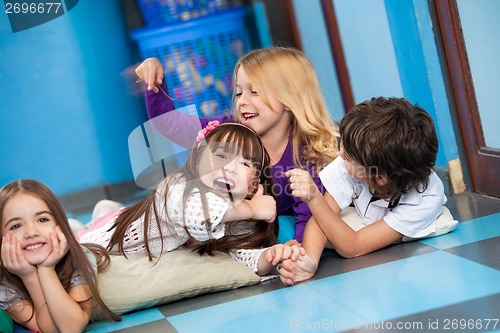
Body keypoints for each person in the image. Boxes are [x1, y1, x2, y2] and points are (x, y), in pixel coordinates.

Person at [134, 46, 339, 243]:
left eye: (255, 91)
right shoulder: (227, 132)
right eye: (239, 93)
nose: (242, 101)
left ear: (288, 98)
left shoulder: (306, 154)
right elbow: (169, 124)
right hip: (201, 218)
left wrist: (298, 249)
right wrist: (155, 84)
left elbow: (307, 216)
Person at [77, 123, 304, 277]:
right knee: (83, 229)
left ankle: (108, 210)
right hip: (104, 238)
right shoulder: (175, 188)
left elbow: (238, 256)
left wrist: (270, 256)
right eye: (221, 156)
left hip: (133, 217)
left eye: (244, 164)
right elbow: (200, 215)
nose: (230, 168)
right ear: (197, 163)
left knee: (112, 211)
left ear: (254, 185)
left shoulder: (238, 216)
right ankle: (100, 215)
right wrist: (252, 209)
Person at [279, 97, 455, 285]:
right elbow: (321, 218)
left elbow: (353, 247)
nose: (339, 155)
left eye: (346, 156)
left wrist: (314, 198)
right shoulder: (356, 162)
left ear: (379, 177)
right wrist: (309, 259)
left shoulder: (424, 200)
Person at [0, 180, 120, 333]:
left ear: (59, 223)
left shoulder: (79, 256)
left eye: (42, 219)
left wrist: (46, 270)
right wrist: (29, 276)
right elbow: (55, 330)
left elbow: (73, 327)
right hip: (58, 239)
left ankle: (104, 210)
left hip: (90, 238)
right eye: (16, 226)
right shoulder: (3, 282)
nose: (31, 232)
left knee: (100, 227)